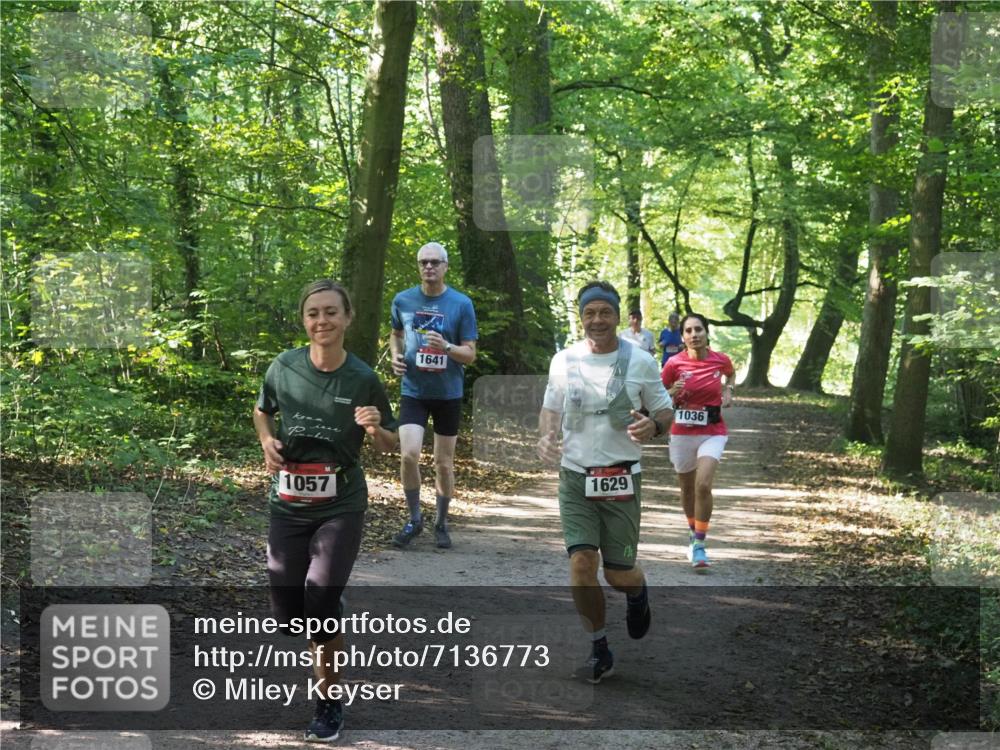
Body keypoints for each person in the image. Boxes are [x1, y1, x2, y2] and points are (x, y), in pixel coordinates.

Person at [253, 279, 398, 742]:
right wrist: (266, 441)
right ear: (304, 319)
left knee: (320, 603)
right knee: (288, 617)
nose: (322, 321)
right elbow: (262, 410)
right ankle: (326, 604)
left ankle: (329, 700)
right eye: (313, 313)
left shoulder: (362, 378)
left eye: (331, 312)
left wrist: (376, 428)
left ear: (348, 318)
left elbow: (391, 443)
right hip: (289, 502)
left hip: (341, 502)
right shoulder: (284, 367)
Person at [537, 281, 672, 684]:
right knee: (581, 564)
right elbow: (550, 408)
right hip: (575, 476)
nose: (597, 320)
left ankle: (638, 589)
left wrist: (654, 426)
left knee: (618, 573)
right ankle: (599, 648)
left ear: (617, 316)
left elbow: (665, 412)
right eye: (590, 313)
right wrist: (545, 436)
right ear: (581, 317)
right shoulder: (563, 360)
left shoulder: (641, 361)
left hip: (621, 479)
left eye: (605, 312)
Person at [389, 242, 478, 550]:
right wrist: (395, 356)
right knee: (409, 454)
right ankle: (414, 519)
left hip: (448, 393)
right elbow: (396, 334)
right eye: (423, 262)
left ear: (445, 266)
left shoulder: (461, 304)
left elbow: (470, 354)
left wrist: (448, 348)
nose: (428, 267)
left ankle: (441, 522)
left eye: (434, 263)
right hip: (414, 390)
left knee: (443, 462)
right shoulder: (402, 300)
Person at [659, 313, 734, 570]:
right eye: (688, 331)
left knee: (703, 485)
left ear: (706, 333)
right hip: (681, 433)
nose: (694, 335)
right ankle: (693, 532)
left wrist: (728, 389)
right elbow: (656, 393)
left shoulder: (720, 360)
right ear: (683, 337)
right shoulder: (673, 363)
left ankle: (700, 544)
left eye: (698, 329)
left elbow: (730, 374)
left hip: (713, 431)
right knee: (687, 489)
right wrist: (672, 391)